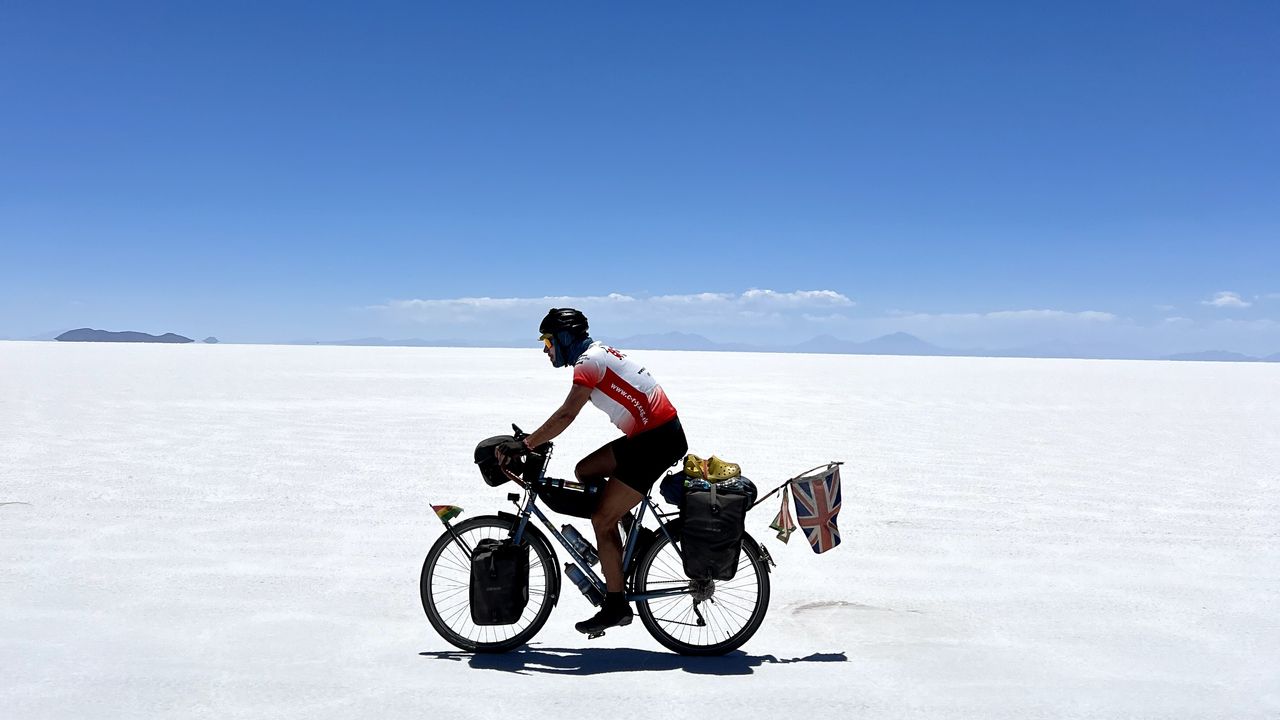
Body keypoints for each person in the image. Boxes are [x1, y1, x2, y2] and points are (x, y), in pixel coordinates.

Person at [497, 308, 688, 634]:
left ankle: (615, 605)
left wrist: (528, 444)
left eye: (548, 340)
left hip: (656, 443)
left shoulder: (590, 362)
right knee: (586, 470)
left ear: (565, 337)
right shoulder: (597, 354)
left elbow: (567, 415)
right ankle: (632, 539)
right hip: (649, 436)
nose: (546, 349)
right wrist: (533, 440)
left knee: (601, 519)